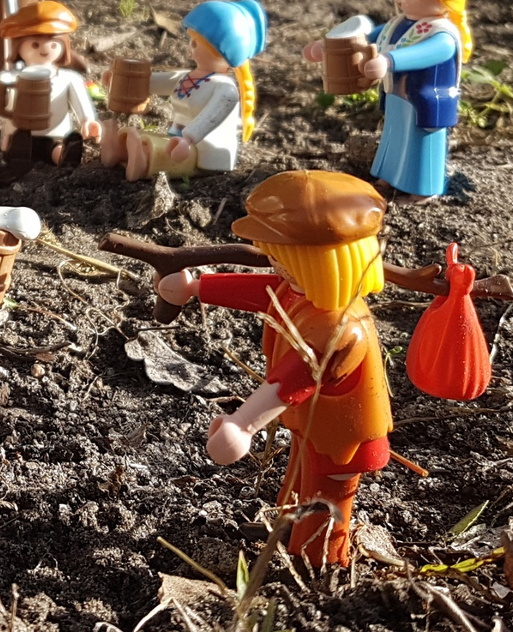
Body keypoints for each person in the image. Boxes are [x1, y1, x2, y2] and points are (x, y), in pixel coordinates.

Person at [157, 170, 393, 567]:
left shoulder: (340, 330)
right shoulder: (300, 292)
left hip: (343, 440)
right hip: (313, 426)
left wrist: (243, 424)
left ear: (316, 263)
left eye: (282, 258)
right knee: (299, 480)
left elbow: (290, 382)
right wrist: (198, 287)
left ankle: (319, 561)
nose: (273, 265)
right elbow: (264, 292)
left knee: (324, 500)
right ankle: (285, 531)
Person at [304, 0, 471, 201]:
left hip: (424, 101)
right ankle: (389, 179)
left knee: (420, 144)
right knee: (393, 138)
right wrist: (328, 47)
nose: (399, 0)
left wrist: (389, 61)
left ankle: (422, 190)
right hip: (397, 97)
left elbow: (424, 54)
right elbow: (366, 38)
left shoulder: (443, 35)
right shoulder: (398, 24)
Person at [101, 0, 266, 181]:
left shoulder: (225, 90)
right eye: (192, 40)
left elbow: (209, 118)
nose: (191, 45)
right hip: (177, 138)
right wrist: (118, 81)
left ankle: (141, 161)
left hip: (204, 147)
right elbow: (151, 83)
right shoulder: (188, 77)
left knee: (156, 151)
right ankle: (119, 152)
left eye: (197, 42)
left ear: (221, 52)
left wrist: (189, 139)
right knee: (143, 138)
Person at [0, 1, 100, 167]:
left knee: (55, 149)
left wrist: (87, 120)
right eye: (34, 44)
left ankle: (63, 156)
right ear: (18, 46)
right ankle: (15, 161)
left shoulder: (69, 78)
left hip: (55, 133)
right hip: (19, 133)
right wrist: (1, 97)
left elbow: (80, 100)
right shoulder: (9, 78)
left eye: (53, 44)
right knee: (19, 150)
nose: (44, 49)